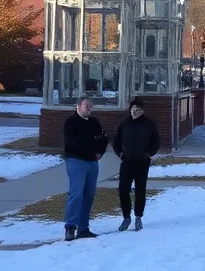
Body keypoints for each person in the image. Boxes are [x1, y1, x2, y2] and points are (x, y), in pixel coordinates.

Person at [112, 98, 160, 232]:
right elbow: (115, 143)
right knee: (123, 189)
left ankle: (138, 216)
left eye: (137, 110)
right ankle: (126, 217)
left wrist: (149, 154)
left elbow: (156, 142)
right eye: (132, 109)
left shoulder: (148, 124)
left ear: (142, 111)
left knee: (140, 189)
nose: (134, 112)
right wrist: (120, 154)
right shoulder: (124, 124)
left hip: (142, 162)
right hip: (127, 162)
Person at [63, 98, 108, 241]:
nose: (89, 109)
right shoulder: (71, 122)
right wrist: (91, 141)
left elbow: (103, 139)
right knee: (76, 194)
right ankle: (70, 227)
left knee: (89, 195)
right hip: (76, 161)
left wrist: (100, 151)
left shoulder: (94, 122)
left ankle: (83, 228)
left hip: (92, 163)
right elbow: (74, 142)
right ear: (78, 106)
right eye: (86, 106)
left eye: (90, 107)